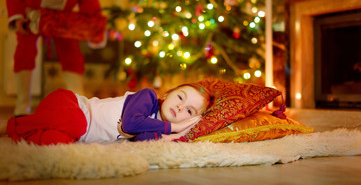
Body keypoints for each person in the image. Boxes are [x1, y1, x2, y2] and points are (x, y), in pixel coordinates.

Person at [6, 0, 102, 116]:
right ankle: (22, 107)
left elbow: (89, 1)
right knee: (24, 54)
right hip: (32, 17)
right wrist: (18, 17)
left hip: (63, 22)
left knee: (72, 56)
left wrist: (95, 27)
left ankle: (78, 105)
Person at [0, 83, 213, 145]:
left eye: (189, 111)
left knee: (55, 143)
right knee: (76, 123)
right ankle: (15, 124)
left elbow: (142, 139)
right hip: (70, 105)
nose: (180, 107)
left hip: (76, 135)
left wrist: (172, 137)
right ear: (167, 94)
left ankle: (29, 133)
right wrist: (172, 127)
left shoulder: (155, 130)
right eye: (180, 97)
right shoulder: (147, 98)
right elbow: (130, 124)